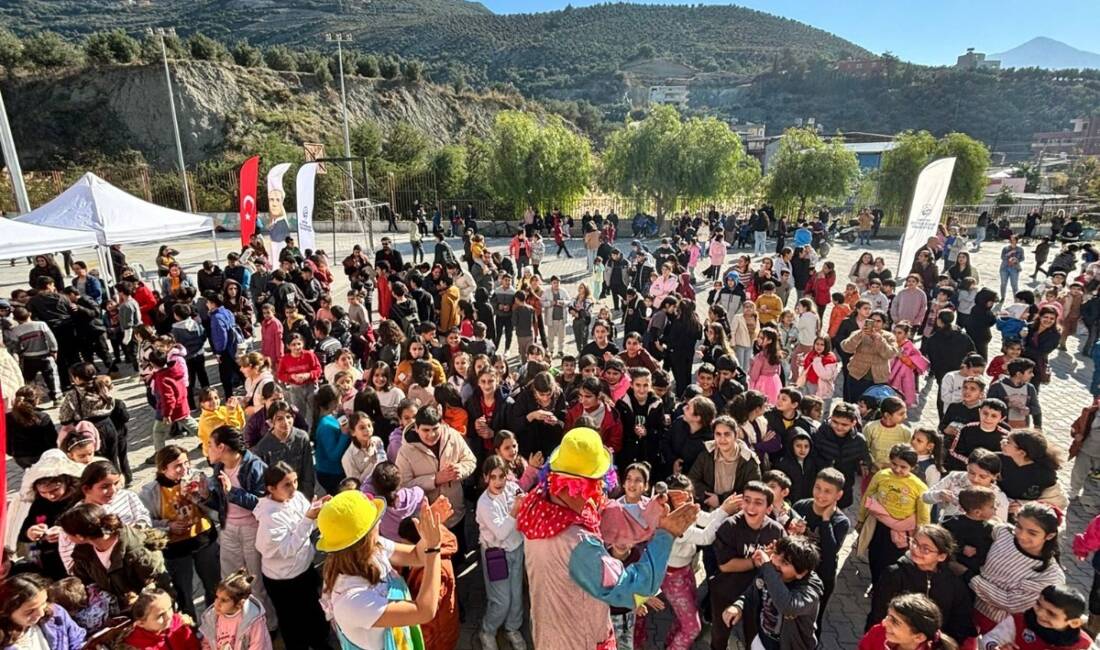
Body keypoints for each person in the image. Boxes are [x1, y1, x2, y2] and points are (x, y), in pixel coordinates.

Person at [318, 490, 444, 649]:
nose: (379, 522)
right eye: (375, 520)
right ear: (363, 538)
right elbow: (424, 611)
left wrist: (429, 530)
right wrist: (434, 547)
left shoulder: (373, 547)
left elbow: (416, 556)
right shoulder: (351, 600)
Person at [252, 462, 333, 650]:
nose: (294, 488)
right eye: (287, 484)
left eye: (295, 481)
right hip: (284, 580)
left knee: (315, 613)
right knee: (292, 623)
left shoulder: (296, 498)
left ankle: (320, 643)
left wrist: (319, 511)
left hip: (304, 570)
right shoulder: (269, 517)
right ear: (271, 489)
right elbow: (287, 549)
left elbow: (308, 526)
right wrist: (308, 518)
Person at [138, 445, 222, 621]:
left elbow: (215, 507)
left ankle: (214, 620)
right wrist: (168, 525)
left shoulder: (197, 477)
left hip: (204, 539)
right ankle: (188, 626)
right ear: (162, 469)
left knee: (213, 584)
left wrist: (201, 496)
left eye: (186, 463)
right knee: (183, 591)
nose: (184, 470)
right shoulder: (150, 492)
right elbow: (146, 523)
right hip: (175, 548)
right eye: (177, 466)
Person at [866, 524, 974, 642]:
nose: (916, 550)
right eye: (915, 543)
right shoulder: (894, 574)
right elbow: (878, 614)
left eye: (926, 549)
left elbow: (960, 621)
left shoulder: (953, 584)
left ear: (942, 556)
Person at [971, 502, 1065, 633]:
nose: (1021, 535)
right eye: (1019, 527)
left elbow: (1010, 603)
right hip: (966, 604)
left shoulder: (1050, 575)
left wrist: (969, 577)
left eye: (1032, 533)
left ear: (1049, 536)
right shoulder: (1004, 533)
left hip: (997, 624)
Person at [720, 535, 823, 650]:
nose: (775, 561)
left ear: (801, 573)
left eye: (784, 562)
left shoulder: (810, 590)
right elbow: (752, 592)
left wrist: (767, 566)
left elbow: (788, 606)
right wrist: (738, 606)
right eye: (776, 553)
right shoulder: (770, 572)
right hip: (761, 640)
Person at [475, 455, 527, 650]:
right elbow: (502, 532)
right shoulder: (484, 504)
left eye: (502, 476)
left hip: (517, 549)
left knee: (516, 595)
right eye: (493, 477)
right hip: (496, 555)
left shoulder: (512, 489)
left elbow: (523, 498)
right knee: (501, 600)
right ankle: (487, 630)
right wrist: (515, 510)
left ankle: (512, 629)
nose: (498, 482)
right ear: (486, 477)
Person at [792, 468, 850, 626]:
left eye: (827, 491)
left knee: (812, 622)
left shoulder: (841, 522)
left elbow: (830, 553)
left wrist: (825, 520)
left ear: (838, 495)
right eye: (818, 488)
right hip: (795, 571)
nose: (820, 495)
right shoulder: (800, 506)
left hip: (821, 576)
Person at [980, 585, 1093, 650]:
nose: (1040, 613)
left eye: (1051, 613)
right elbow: (989, 639)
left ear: (1074, 623)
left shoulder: (1082, 644)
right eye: (1038, 604)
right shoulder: (1020, 621)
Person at [0, 573, 86, 650]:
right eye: (30, 611)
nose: (41, 613)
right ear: (6, 612)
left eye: (43, 603)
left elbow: (78, 640)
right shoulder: (4, 642)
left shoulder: (56, 613)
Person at [860, 593, 958, 650]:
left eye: (895, 621)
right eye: (888, 616)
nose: (884, 623)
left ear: (919, 637)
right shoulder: (878, 632)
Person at [120, 589, 201, 650]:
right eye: (161, 615)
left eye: (170, 608)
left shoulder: (180, 623)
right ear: (140, 623)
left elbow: (194, 646)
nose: (169, 616)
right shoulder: (134, 646)